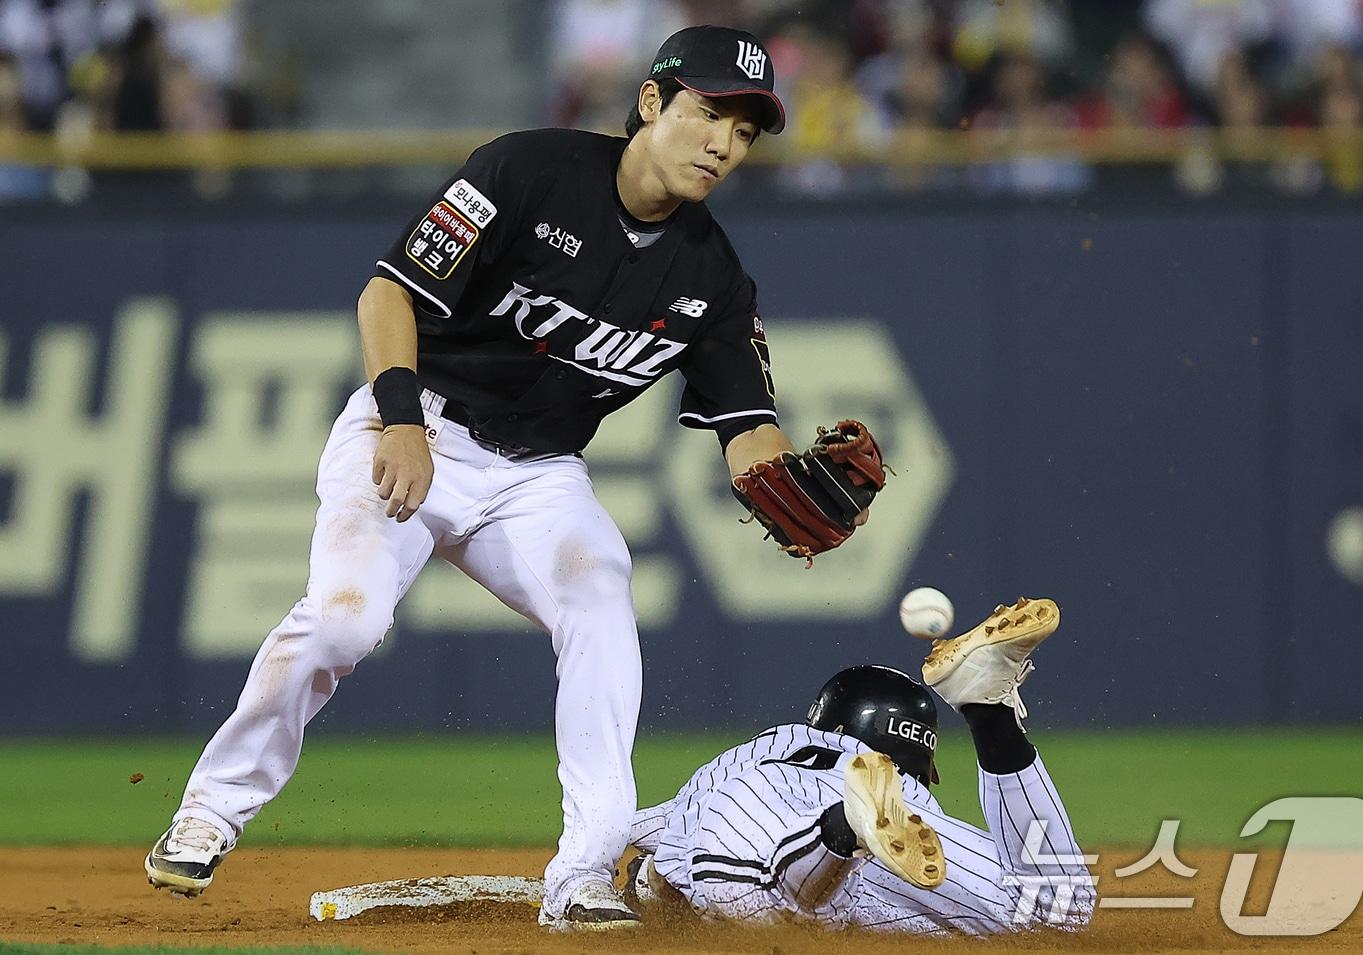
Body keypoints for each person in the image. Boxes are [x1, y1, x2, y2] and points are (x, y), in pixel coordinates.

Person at [144, 24, 813, 932]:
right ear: (651, 102)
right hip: (414, 428)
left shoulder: (715, 278)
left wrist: (794, 485)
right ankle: (210, 810)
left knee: (600, 597)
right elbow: (388, 293)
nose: (722, 144)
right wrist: (402, 416)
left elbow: (749, 430)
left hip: (538, 478)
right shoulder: (526, 170)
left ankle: (583, 875)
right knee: (345, 620)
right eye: (707, 112)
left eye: (743, 130)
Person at [623, 597, 1098, 934]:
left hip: (738, 813)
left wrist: (612, 874)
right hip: (863, 809)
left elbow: (636, 832)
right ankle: (986, 713)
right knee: (1055, 908)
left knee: (745, 893)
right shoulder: (904, 791)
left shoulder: (754, 753)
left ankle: (841, 832)